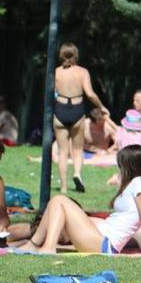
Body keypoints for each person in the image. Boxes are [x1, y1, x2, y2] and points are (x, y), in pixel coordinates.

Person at [23, 145, 141, 255]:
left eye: (121, 166)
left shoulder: (140, 182)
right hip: (99, 238)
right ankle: (34, 245)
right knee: (55, 202)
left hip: (104, 244)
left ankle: (48, 247)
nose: (120, 169)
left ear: (130, 166)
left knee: (60, 199)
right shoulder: (133, 184)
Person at [51, 42, 109, 194]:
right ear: (76, 55)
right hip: (77, 110)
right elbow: (90, 94)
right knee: (77, 149)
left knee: (63, 151)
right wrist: (101, 107)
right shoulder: (83, 72)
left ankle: (63, 187)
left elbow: (51, 93)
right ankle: (77, 174)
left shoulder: (56, 72)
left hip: (60, 109)